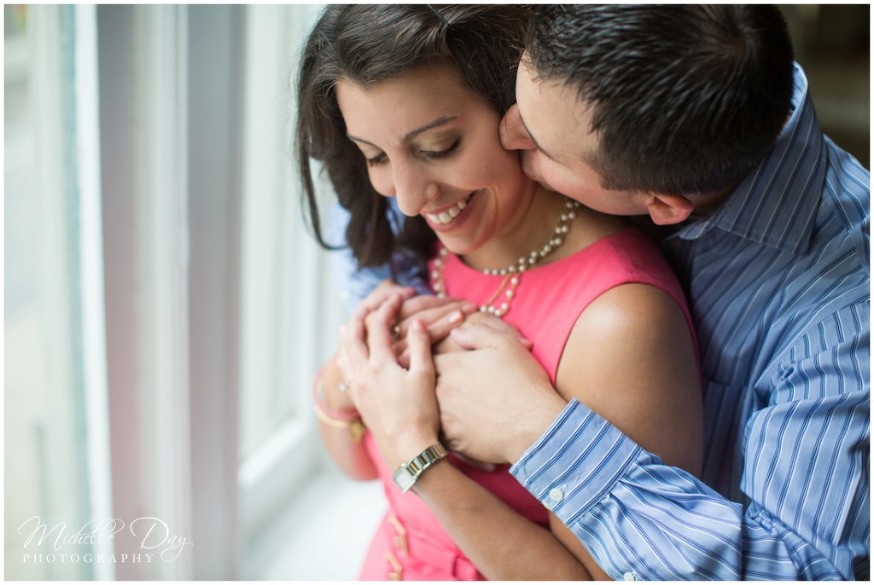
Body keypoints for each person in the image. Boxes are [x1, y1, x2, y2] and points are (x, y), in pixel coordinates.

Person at [339, 4, 870, 581]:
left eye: (538, 144)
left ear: (660, 206)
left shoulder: (845, 319)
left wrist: (536, 429)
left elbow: (803, 572)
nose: (505, 129)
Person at [297, 4, 703, 581]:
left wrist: (418, 453)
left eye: (439, 146)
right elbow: (360, 467)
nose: (409, 197)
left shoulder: (618, 320)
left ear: (520, 113)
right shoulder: (421, 248)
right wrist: (348, 378)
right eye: (376, 156)